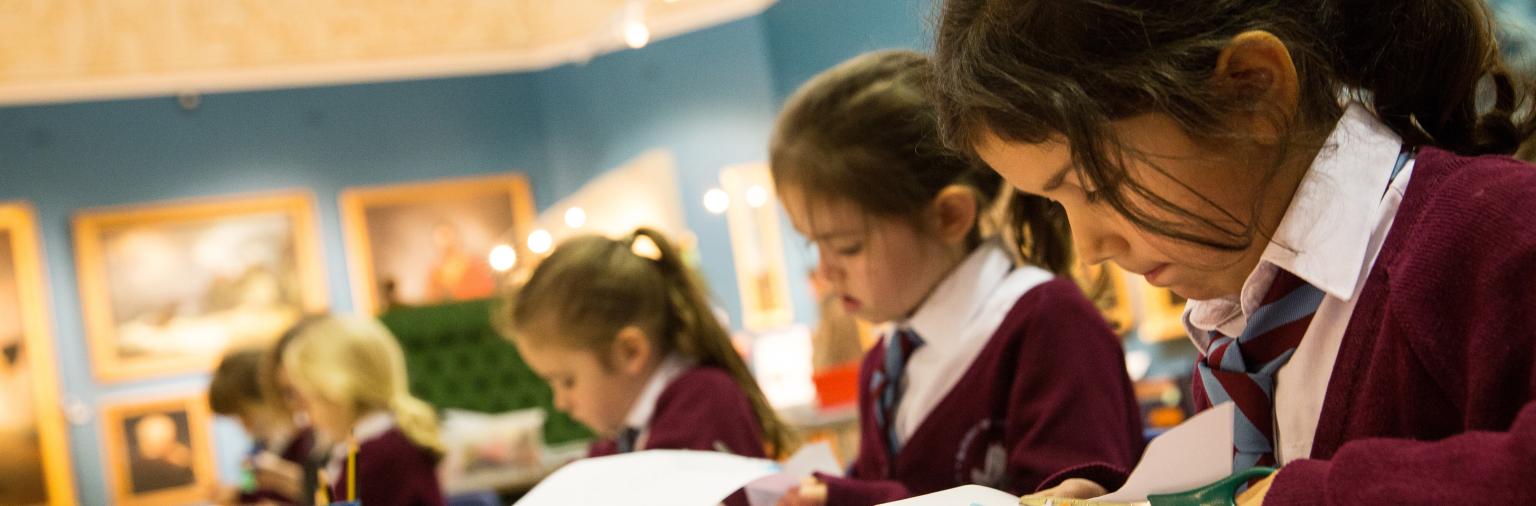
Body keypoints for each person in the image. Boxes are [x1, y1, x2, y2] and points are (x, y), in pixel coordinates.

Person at [930, 0, 1536, 502]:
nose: (1089, 249)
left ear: (1251, 91)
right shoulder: (1242, 320)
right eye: (1056, 205)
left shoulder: (1499, 232)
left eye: (1093, 187)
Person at [772, 50, 1143, 505]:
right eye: (814, 245)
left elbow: (1070, 495)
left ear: (950, 215)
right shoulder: (882, 364)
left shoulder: (1046, 323)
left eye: (848, 246)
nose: (826, 272)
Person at [499, 228, 795, 505]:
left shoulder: (705, 402)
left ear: (630, 352)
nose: (561, 402)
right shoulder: (639, 429)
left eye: (567, 381)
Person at [277, 316, 445, 506]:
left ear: (335, 393)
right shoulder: (372, 447)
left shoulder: (378, 458)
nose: (304, 414)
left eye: (307, 399)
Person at [208, 346, 315, 504]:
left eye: (245, 415)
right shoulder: (257, 449)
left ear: (269, 396)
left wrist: (284, 476)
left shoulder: (308, 442)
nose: (244, 426)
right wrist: (236, 494)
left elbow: (328, 495)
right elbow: (248, 490)